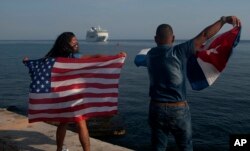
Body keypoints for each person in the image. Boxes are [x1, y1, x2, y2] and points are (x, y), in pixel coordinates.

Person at [146, 16, 241, 151]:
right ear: (173, 39)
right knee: (185, 147)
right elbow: (204, 35)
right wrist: (223, 20)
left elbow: (140, 59)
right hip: (178, 109)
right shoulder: (179, 51)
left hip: (156, 108)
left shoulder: (150, 55)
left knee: (158, 147)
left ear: (155, 39)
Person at [24, 32, 91, 151]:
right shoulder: (74, 57)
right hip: (73, 95)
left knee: (63, 122)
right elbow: (93, 58)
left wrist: (27, 62)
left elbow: (40, 67)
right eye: (73, 40)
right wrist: (115, 57)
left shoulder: (53, 59)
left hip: (62, 95)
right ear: (66, 43)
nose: (76, 42)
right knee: (81, 123)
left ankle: (59, 149)